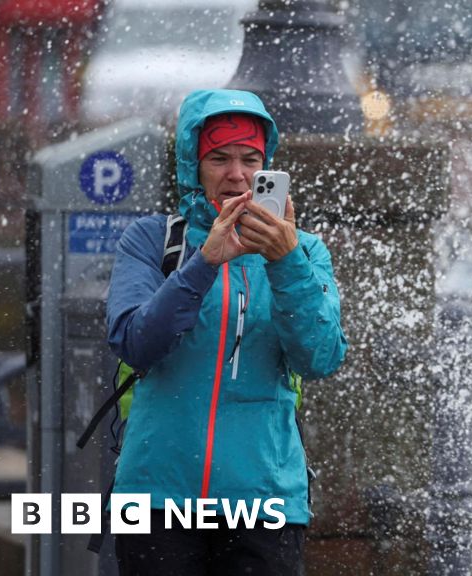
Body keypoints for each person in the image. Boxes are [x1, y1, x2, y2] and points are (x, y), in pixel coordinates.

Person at [105, 88, 347, 575]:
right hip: (158, 495)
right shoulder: (153, 240)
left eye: (250, 159)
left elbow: (320, 357)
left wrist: (285, 262)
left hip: (265, 499)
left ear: (267, 167)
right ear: (192, 166)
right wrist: (204, 263)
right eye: (219, 158)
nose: (236, 174)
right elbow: (135, 342)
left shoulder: (304, 252)